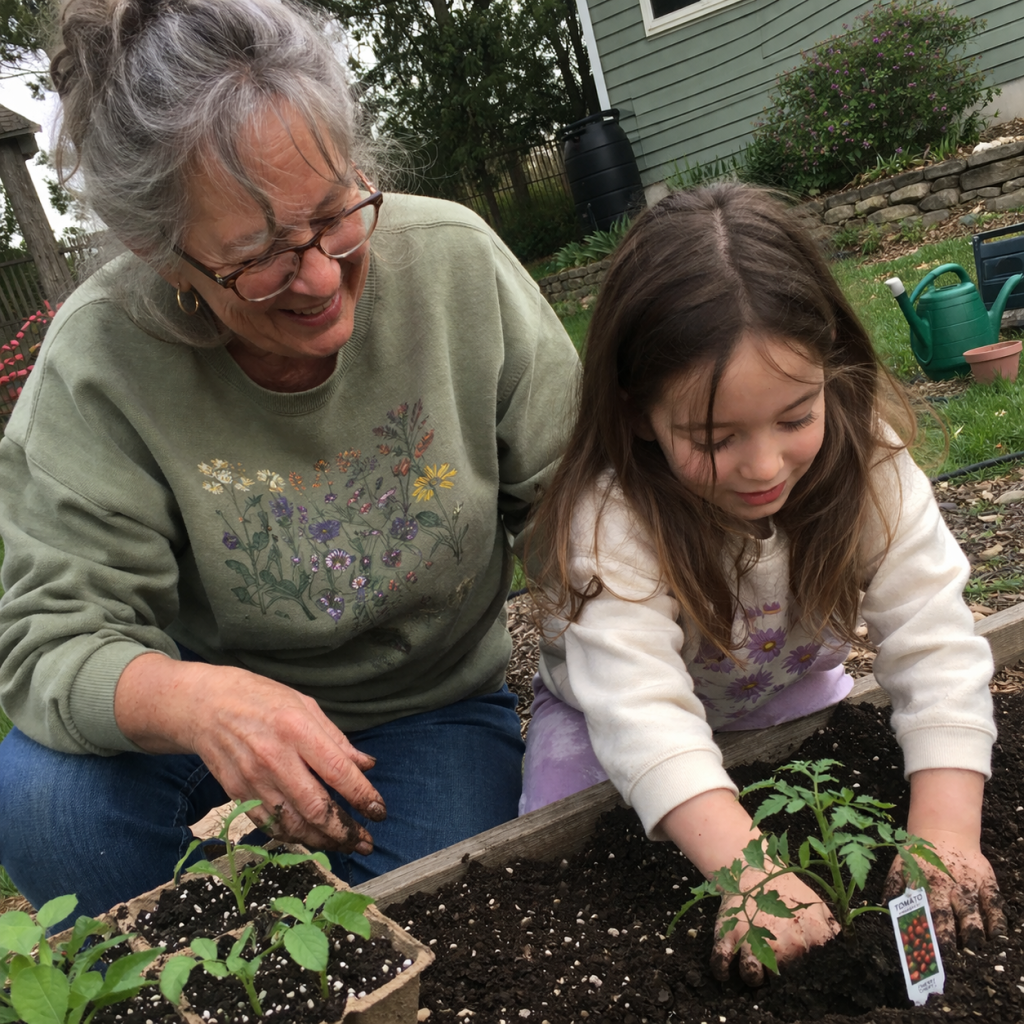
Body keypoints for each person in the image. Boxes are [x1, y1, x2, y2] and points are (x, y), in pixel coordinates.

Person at [0, 0, 579, 926]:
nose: (318, 276)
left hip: (419, 710)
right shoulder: (100, 362)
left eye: (336, 215)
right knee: (49, 805)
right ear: (163, 253)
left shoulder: (455, 268)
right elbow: (48, 640)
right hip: (203, 703)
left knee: (432, 912)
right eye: (260, 255)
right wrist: (201, 701)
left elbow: (576, 508)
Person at [520, 184, 1005, 985]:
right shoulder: (613, 520)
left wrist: (946, 835)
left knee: (831, 773)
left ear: (830, 372)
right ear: (638, 413)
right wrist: (748, 875)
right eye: (714, 438)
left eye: (795, 416)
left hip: (780, 693)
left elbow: (936, 644)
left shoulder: (869, 466)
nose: (763, 466)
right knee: (561, 856)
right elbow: (639, 710)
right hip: (600, 724)